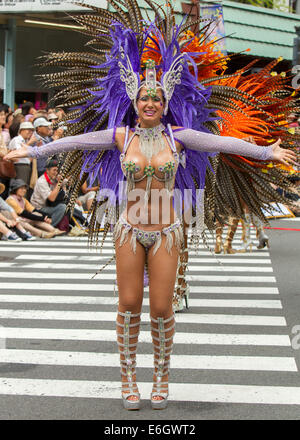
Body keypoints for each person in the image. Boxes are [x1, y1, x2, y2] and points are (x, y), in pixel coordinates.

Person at [4, 3, 298, 411]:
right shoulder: (120, 136)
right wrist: (29, 152)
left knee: (161, 308)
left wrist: (266, 151)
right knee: (128, 305)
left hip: (166, 230)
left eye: (157, 98)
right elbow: (71, 142)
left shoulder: (179, 136)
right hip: (128, 228)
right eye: (143, 97)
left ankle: (161, 376)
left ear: (165, 102)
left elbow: (223, 144)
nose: (150, 103)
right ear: (134, 99)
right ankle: (128, 379)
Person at [29, 158, 67, 231]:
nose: (56, 172)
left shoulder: (54, 177)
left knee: (68, 205)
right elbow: (51, 198)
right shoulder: (42, 181)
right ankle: (48, 228)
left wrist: (63, 178)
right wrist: (59, 183)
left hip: (49, 206)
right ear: (47, 170)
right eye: (54, 170)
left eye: (57, 170)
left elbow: (69, 181)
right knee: (62, 207)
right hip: (39, 208)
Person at [8, 121, 34, 186]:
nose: (30, 132)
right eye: (28, 130)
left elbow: (30, 157)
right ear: (21, 130)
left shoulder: (26, 141)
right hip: (19, 166)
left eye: (31, 130)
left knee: (25, 188)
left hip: (26, 166)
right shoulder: (17, 140)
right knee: (20, 187)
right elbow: (19, 153)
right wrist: (29, 143)